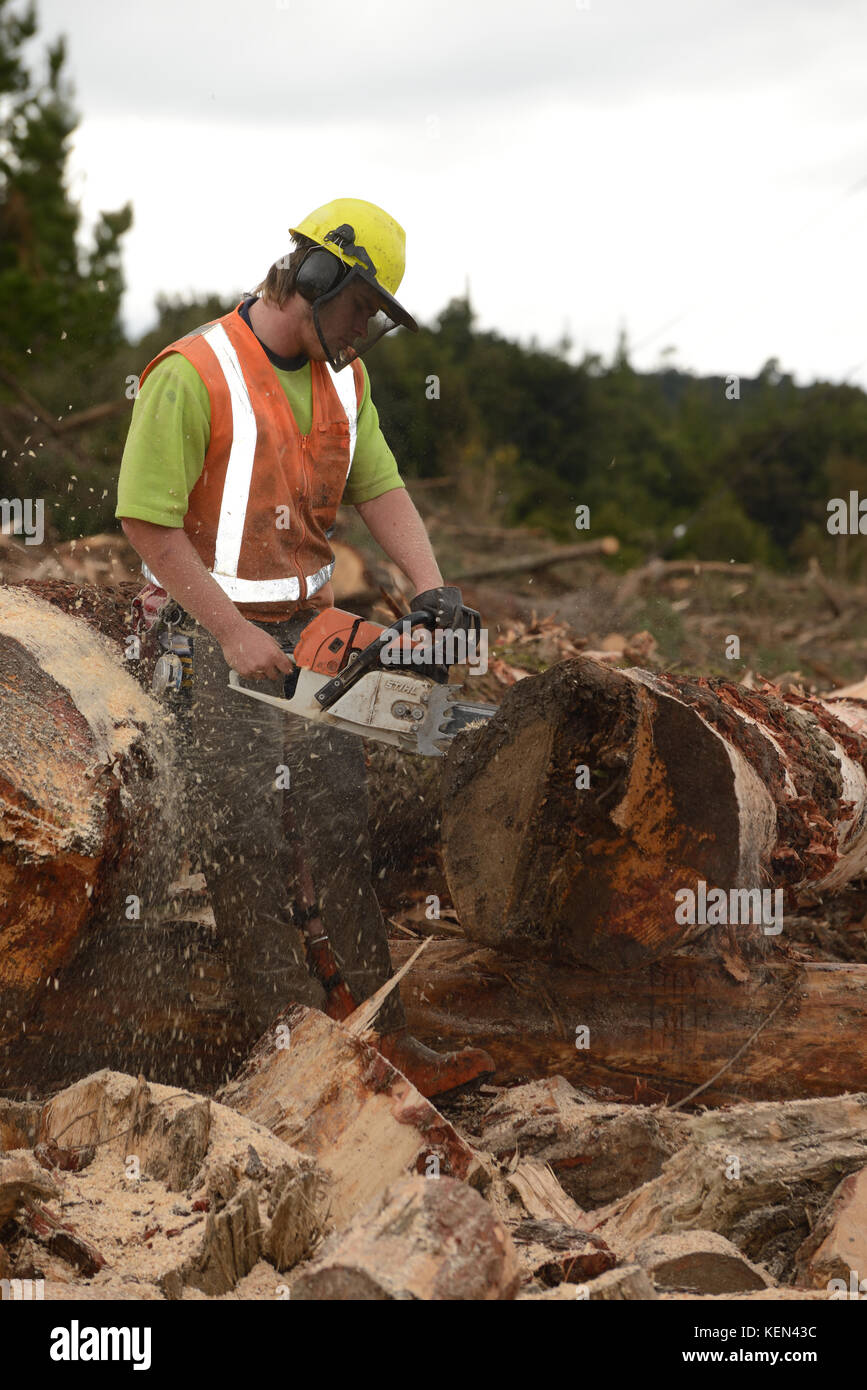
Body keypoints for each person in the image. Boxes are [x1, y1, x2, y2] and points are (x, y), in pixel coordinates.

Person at [115, 197, 494, 1097]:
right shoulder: (193, 371)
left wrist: (431, 587)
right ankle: (288, 1060)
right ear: (315, 276)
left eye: (376, 316)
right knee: (246, 840)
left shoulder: (343, 381)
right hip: (210, 636)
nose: (363, 329)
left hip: (311, 632)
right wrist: (235, 632)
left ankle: (381, 1037)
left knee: (335, 830)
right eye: (360, 305)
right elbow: (146, 524)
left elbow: (382, 486)